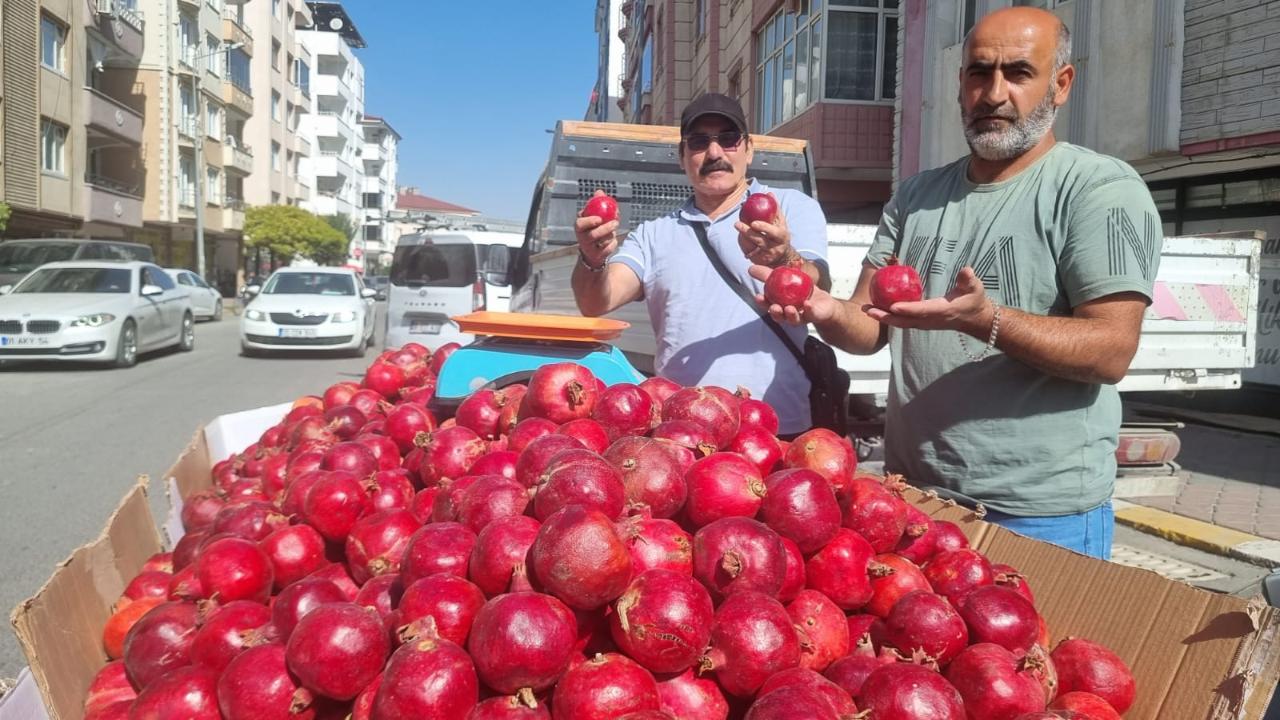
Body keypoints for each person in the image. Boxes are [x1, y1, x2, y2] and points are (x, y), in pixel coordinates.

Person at [752, 6, 1161, 559]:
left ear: (1060, 84)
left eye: (1018, 73)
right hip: (915, 501)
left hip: (1039, 515)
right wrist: (824, 310)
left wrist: (986, 321)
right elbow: (868, 330)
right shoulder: (916, 196)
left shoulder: (1097, 188)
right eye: (978, 72)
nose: (993, 93)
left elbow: (1112, 349)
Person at [572, 93, 831, 437]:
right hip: (681, 433)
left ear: (749, 149)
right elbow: (596, 302)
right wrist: (592, 257)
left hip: (777, 427)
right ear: (682, 157)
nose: (714, 153)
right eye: (698, 142)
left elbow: (817, 283)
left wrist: (785, 257)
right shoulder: (654, 234)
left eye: (728, 139)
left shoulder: (789, 208)